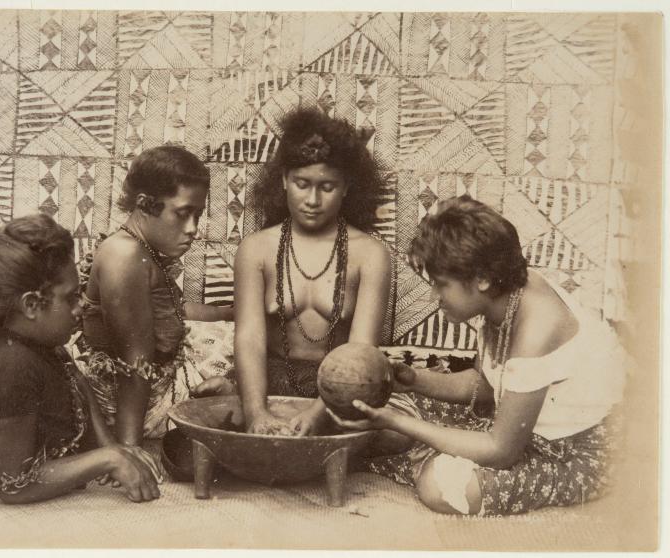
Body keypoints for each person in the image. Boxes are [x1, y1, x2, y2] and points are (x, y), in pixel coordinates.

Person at [329, 195, 626, 516]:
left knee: (440, 486)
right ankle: (415, 445)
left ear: (481, 279)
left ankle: (418, 453)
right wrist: (415, 380)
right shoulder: (504, 296)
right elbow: (485, 388)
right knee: (391, 410)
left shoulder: (537, 330)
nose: (435, 297)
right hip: (517, 424)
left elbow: (501, 451)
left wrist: (399, 424)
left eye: (442, 285)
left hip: (573, 453)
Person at [0, 214, 162, 504]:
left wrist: (112, 445)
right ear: (31, 305)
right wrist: (106, 460)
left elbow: (74, 379)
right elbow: (12, 485)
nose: (81, 305)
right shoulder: (8, 368)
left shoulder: (34, 334)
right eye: (70, 298)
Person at [234, 107, 392, 437]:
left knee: (392, 434)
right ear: (283, 180)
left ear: (347, 186)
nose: (313, 200)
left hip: (343, 387)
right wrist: (256, 413)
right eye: (302, 184)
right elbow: (249, 339)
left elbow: (363, 350)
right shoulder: (256, 249)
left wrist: (319, 413)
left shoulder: (370, 254)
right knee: (222, 419)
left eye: (327, 187)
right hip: (270, 381)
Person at [79, 146, 234, 448]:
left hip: (155, 383)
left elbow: (172, 310)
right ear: (145, 204)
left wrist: (229, 313)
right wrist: (129, 451)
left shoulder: (139, 249)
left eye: (197, 215)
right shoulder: (123, 255)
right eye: (182, 214)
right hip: (139, 401)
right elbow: (134, 362)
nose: (193, 229)